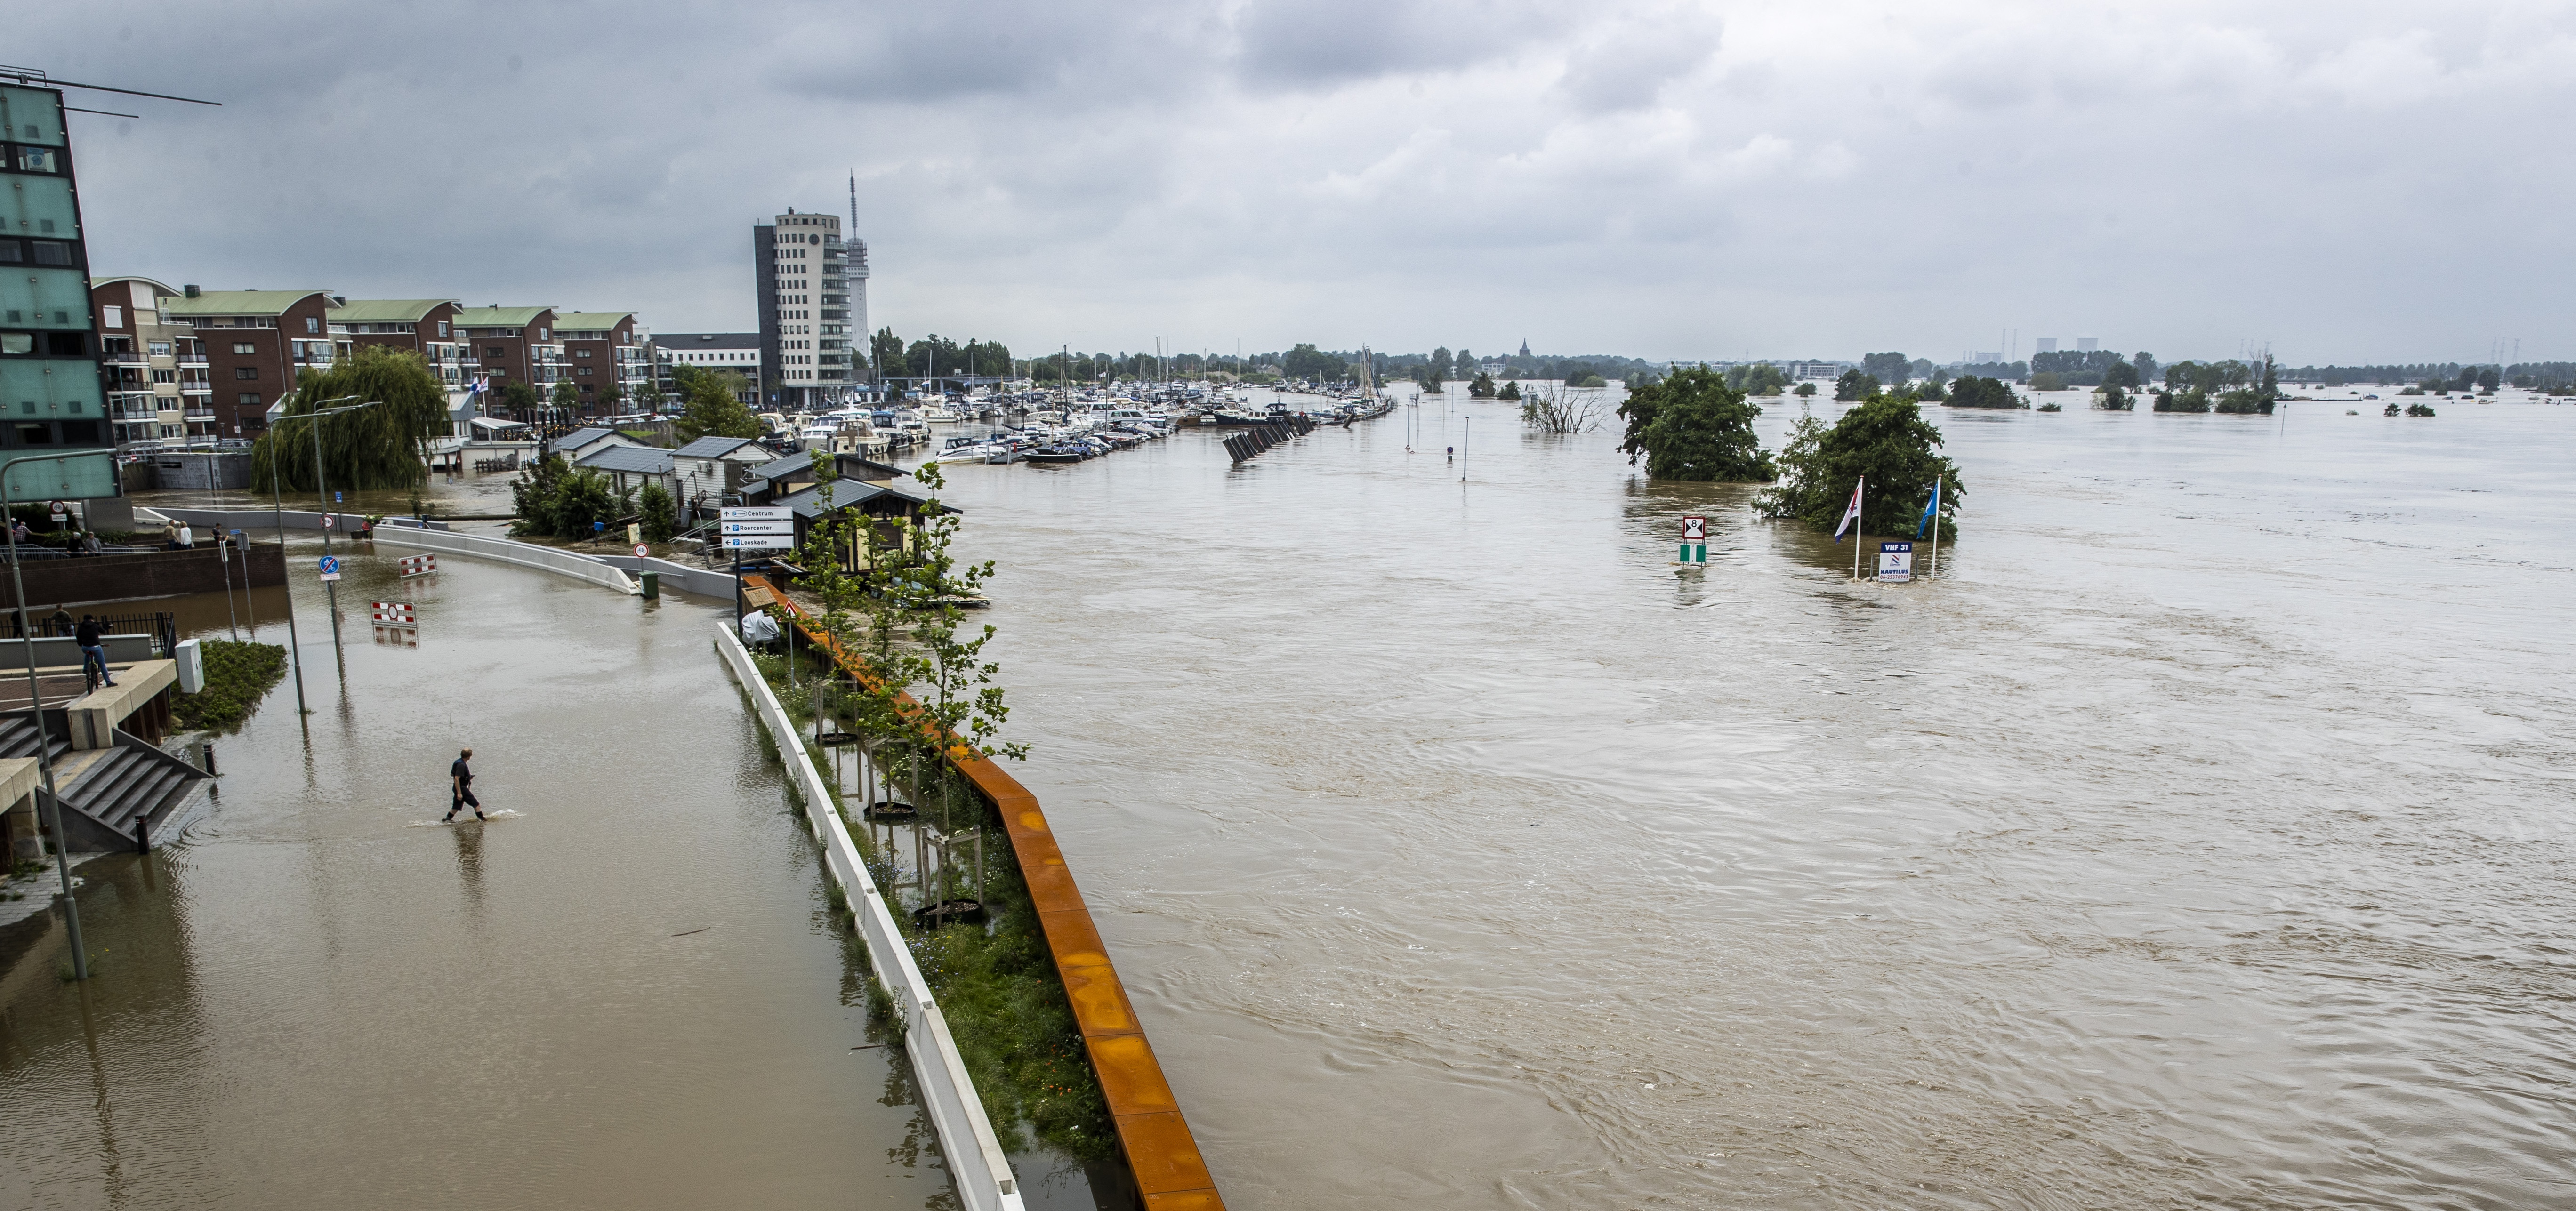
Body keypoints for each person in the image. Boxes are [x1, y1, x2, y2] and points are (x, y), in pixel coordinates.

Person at [443, 747, 485, 822]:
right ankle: (482, 821)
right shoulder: (461, 765)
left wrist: (467, 778)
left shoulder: (458, 762)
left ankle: (446, 821)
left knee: (456, 807)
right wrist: (459, 793)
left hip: (458, 787)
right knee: (477, 805)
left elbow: (452, 774)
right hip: (461, 788)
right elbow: (456, 779)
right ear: (469, 757)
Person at [74, 614, 113, 689]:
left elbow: (78, 637)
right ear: (92, 619)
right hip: (96, 648)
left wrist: (80, 644)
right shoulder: (95, 625)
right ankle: (109, 682)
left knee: (88, 654)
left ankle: (86, 669)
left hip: (85, 648)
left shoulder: (81, 627)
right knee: (102, 665)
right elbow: (103, 631)